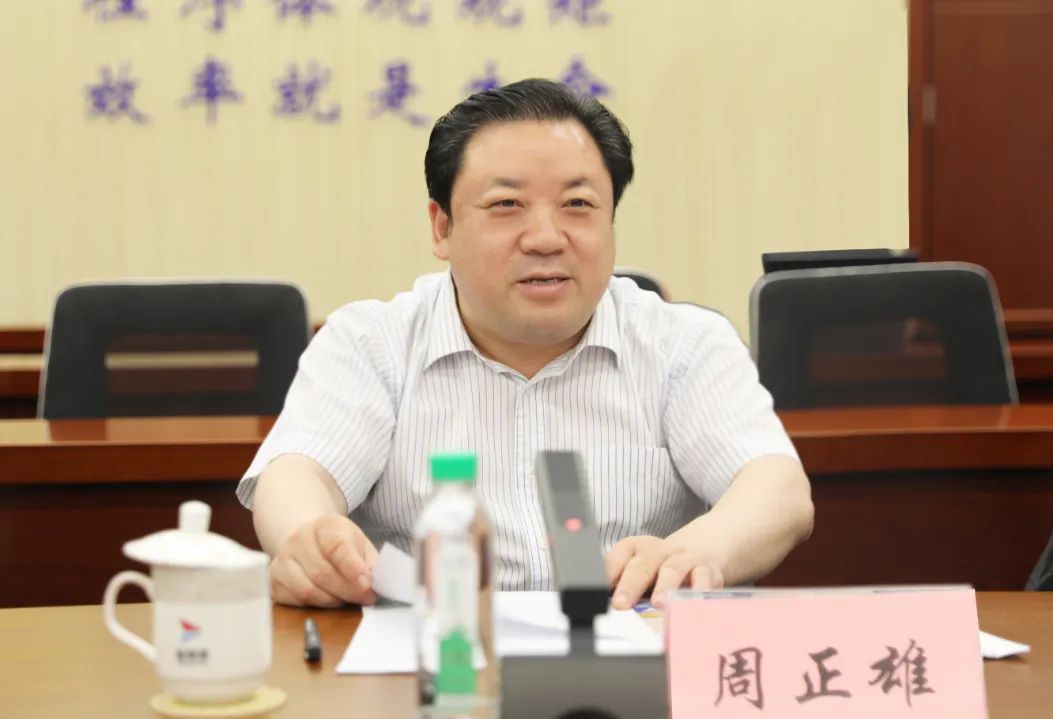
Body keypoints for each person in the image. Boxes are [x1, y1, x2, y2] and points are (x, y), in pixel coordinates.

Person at [238, 78, 813, 611]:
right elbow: (298, 476)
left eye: (578, 204)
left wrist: (695, 552)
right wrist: (309, 539)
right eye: (506, 205)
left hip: (634, 653)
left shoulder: (684, 343)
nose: (545, 238)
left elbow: (777, 490)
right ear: (442, 227)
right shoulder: (370, 343)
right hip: (431, 658)